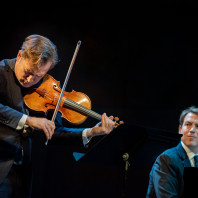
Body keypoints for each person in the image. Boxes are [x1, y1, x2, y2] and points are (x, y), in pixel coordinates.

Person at [0, 34, 122, 198]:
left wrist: (91, 132)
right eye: (29, 72)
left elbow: (55, 132)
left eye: (39, 75)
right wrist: (28, 120)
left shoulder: (46, 88)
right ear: (20, 55)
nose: (31, 80)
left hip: (23, 174)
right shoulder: (1, 72)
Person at [146, 106, 198, 197]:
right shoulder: (167, 159)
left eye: (197, 126)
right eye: (188, 124)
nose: (192, 130)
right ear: (180, 129)